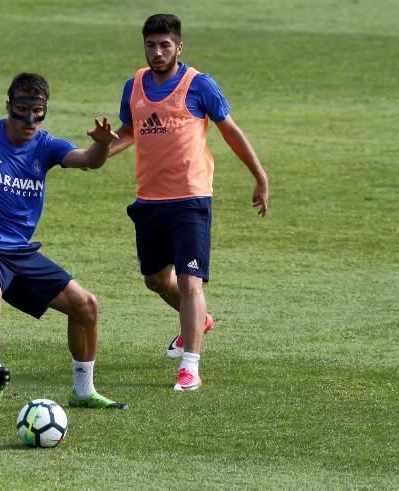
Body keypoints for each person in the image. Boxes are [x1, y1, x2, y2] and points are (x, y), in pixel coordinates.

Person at [0, 72, 128, 410]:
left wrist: (102, 144)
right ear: (8, 106)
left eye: (38, 110)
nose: (30, 119)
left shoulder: (46, 146)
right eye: (22, 108)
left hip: (21, 253)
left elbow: (88, 161)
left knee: (86, 305)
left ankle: (84, 391)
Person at [108, 14, 269, 391]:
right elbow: (128, 133)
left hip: (191, 198)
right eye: (151, 45)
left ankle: (190, 368)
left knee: (189, 279)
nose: (158, 52)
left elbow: (231, 132)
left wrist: (259, 176)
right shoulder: (134, 86)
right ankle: (199, 321)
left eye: (165, 45)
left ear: (179, 47)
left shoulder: (199, 85)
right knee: (155, 280)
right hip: (149, 199)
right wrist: (95, 150)